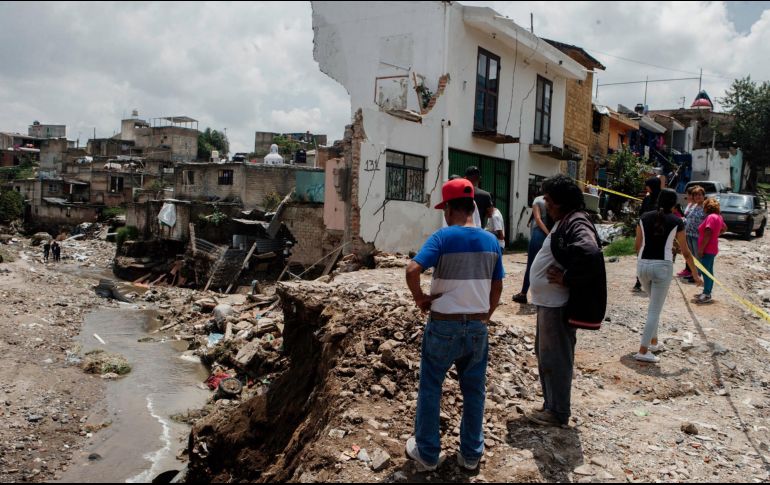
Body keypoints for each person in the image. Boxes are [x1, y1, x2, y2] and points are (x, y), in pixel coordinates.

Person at [405, 178, 504, 472]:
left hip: (443, 326)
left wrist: (420, 298)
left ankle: (427, 454)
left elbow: (412, 269)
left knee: (431, 387)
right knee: (474, 390)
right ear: (473, 207)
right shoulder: (490, 241)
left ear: (449, 209)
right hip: (476, 327)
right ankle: (471, 455)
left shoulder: (442, 237)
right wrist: (486, 314)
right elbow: (497, 286)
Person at [526, 175, 606, 427]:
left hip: (556, 305)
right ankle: (551, 406)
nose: (546, 205)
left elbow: (590, 253)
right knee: (546, 356)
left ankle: (558, 412)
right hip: (548, 303)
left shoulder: (577, 222)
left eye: (549, 200)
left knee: (556, 358)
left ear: (561, 202)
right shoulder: (567, 221)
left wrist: (567, 277)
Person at [634, 189, 703, 363]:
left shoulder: (643, 217)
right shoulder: (677, 221)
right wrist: (695, 275)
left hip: (642, 265)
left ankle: (654, 342)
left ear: (658, 200)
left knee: (653, 307)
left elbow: (637, 246)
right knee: (654, 310)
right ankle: (643, 350)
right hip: (662, 267)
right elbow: (686, 252)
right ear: (674, 204)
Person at [512, 190, 552, 304]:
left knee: (531, 265)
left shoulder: (537, 199)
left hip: (539, 234)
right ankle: (546, 296)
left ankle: (523, 294)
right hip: (552, 234)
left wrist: (547, 233)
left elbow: (538, 219)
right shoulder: (553, 200)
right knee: (548, 265)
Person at [695, 198, 727, 304]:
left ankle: (707, 294)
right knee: (709, 271)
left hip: (708, 249)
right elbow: (724, 228)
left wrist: (701, 249)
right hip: (712, 248)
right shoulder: (719, 217)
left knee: (706, 272)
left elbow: (707, 233)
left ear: (707, 207)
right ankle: (706, 291)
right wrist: (716, 235)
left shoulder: (710, 217)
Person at [633, 177, 663, 292]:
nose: (646, 187)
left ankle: (652, 280)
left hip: (657, 232)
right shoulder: (647, 198)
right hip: (645, 231)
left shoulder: (661, 199)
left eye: (647, 185)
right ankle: (639, 281)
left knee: (654, 256)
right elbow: (641, 214)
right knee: (642, 255)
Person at [679, 186, 706, 280]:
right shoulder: (693, 206)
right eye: (695, 195)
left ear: (703, 196)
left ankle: (698, 275)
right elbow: (688, 218)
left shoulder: (706, 207)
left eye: (699, 195)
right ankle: (693, 273)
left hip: (698, 236)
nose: (697, 197)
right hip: (689, 234)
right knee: (692, 256)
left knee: (698, 257)